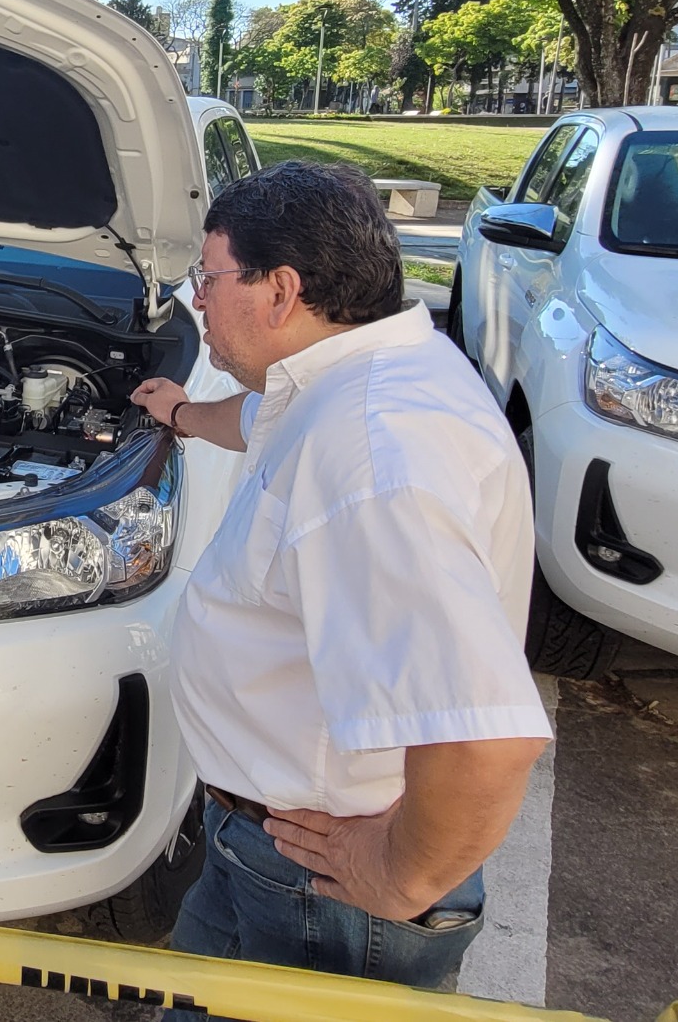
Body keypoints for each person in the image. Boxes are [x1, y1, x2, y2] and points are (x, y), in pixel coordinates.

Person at [133, 161, 549, 991]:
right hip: (259, 841)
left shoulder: (374, 458)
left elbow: (486, 735)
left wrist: (400, 876)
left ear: (281, 290)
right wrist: (179, 413)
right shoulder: (348, 376)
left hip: (323, 887)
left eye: (207, 279)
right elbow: (257, 420)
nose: (197, 302)